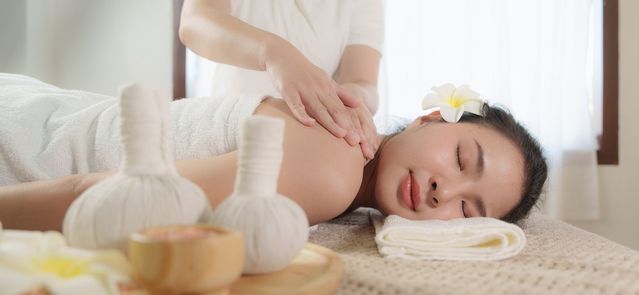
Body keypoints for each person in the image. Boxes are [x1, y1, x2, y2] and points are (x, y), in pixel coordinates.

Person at [0, 77, 547, 231]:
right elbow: (104, 200)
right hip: (27, 149)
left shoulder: (348, 187)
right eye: (460, 160)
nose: (442, 192)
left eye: (467, 210)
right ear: (431, 117)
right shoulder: (332, 171)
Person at [179, 0, 384, 160]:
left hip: (302, 149)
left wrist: (351, 99)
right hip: (224, 135)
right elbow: (194, 21)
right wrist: (274, 53)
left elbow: (362, 81)